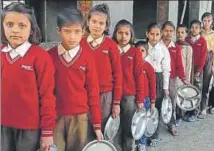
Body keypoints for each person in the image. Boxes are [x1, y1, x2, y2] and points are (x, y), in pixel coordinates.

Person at [1, 2, 56, 151]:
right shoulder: (1, 54)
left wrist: (47, 132)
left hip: (30, 128)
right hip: (3, 125)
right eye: (10, 24)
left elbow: (47, 96)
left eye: (22, 25)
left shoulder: (40, 57)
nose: (15, 30)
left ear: (31, 28)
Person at [48, 8, 103, 151]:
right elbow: (45, 91)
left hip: (80, 117)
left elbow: (93, 91)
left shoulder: (87, 57)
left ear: (83, 31)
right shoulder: (49, 56)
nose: (72, 36)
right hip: (55, 116)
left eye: (77, 31)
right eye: (67, 31)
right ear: (58, 31)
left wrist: (97, 125)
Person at [80, 3, 123, 133]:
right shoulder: (80, 43)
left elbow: (117, 74)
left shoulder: (111, 46)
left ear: (106, 26)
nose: (97, 26)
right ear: (88, 22)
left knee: (103, 129)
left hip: (105, 95)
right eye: (94, 21)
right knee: (85, 129)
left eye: (101, 23)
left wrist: (116, 103)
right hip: (84, 94)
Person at [112, 19, 144, 151]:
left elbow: (139, 76)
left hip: (129, 96)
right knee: (114, 127)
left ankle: (129, 148)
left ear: (131, 35)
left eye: (126, 33)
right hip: (113, 96)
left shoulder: (135, 53)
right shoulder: (111, 50)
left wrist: (140, 98)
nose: (123, 36)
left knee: (129, 126)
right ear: (115, 34)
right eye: (120, 33)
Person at [161, 21, 189, 136]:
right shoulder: (157, 45)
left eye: (171, 31)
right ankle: (153, 127)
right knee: (157, 101)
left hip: (171, 78)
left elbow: (179, 65)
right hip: (158, 77)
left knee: (171, 100)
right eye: (166, 30)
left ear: (173, 33)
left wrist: (183, 78)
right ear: (162, 31)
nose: (168, 33)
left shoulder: (176, 48)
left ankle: (171, 124)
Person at [145, 22, 171, 147]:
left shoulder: (163, 49)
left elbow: (166, 69)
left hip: (158, 78)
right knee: (145, 105)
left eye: (157, 34)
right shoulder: (143, 47)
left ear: (160, 35)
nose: (154, 37)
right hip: (144, 79)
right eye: (152, 34)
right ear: (147, 34)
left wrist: (165, 87)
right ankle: (143, 133)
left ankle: (154, 133)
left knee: (156, 107)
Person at [135, 41, 157, 151]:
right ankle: (136, 140)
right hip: (134, 98)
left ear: (147, 53)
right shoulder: (132, 65)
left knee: (144, 121)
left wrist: (153, 102)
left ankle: (143, 142)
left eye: (142, 51)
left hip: (146, 99)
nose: (139, 53)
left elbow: (153, 85)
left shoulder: (148, 67)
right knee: (136, 122)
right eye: (137, 50)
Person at [185, 20, 208, 122]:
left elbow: (203, 57)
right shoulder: (187, 40)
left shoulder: (202, 41)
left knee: (197, 90)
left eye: (196, 27)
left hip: (198, 69)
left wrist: (198, 70)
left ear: (200, 29)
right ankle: (187, 110)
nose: (194, 29)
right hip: (188, 68)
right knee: (188, 89)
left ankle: (195, 111)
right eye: (192, 27)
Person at [200, 12, 214, 118]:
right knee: (197, 82)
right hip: (199, 57)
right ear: (202, 21)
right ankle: (194, 108)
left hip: (209, 57)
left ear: (212, 22)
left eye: (209, 21)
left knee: (206, 85)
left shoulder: (213, 34)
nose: (206, 23)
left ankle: (203, 108)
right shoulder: (199, 31)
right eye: (205, 20)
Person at [175, 24, 193, 125]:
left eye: (182, 32)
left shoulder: (188, 48)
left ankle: (179, 116)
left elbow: (188, 64)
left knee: (181, 95)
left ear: (186, 34)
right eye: (178, 32)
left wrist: (186, 78)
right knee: (174, 96)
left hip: (183, 77)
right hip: (174, 75)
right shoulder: (173, 45)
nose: (180, 34)